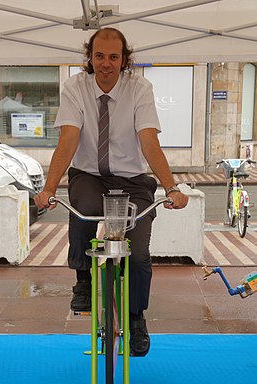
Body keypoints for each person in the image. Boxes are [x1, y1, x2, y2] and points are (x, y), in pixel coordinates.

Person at [34, 27, 188, 357]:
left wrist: (171, 187)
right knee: (85, 207)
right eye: (99, 56)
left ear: (124, 60)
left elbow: (149, 141)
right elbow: (68, 140)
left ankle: (135, 317)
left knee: (139, 252)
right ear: (90, 58)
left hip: (133, 181)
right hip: (89, 174)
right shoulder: (75, 87)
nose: (106, 64)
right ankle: (83, 279)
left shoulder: (139, 88)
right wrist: (48, 188)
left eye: (113, 57)